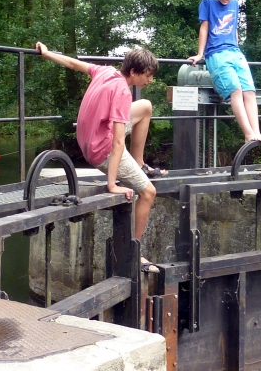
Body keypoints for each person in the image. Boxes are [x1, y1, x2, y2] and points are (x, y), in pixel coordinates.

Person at [36, 42, 167, 272]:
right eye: (147, 75)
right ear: (134, 72)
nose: (150, 80)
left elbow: (73, 63)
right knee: (148, 192)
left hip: (87, 140)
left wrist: (47, 53)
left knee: (145, 106)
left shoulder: (106, 71)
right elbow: (117, 143)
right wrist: (112, 184)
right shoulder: (122, 93)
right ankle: (133, 252)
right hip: (101, 150)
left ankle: (139, 162)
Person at [188, 0, 261, 144]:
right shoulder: (208, 3)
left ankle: (257, 132)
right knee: (236, 90)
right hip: (216, 53)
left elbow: (234, 27)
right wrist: (200, 54)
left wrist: (237, 46)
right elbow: (204, 28)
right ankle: (248, 133)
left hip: (235, 52)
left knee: (249, 91)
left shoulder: (234, 4)